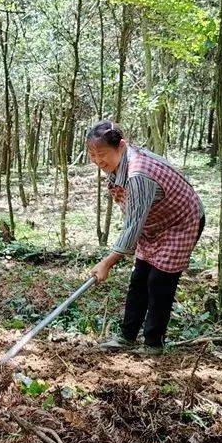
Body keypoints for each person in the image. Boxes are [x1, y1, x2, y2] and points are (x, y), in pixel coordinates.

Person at [86, 120, 205, 353]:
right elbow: (134, 217)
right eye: (92, 155)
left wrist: (107, 263)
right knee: (139, 279)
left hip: (181, 222)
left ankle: (153, 343)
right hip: (153, 224)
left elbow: (132, 226)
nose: (98, 160)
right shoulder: (121, 165)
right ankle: (127, 337)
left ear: (121, 146)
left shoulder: (138, 174)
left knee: (159, 282)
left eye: (102, 154)